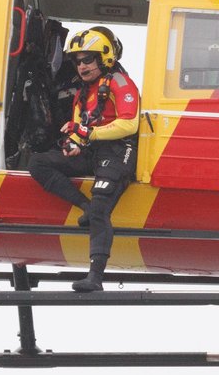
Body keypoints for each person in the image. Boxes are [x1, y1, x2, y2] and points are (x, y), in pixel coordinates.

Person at [28, 26, 139, 292]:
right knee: (37, 163)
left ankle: (95, 278)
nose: (82, 66)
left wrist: (89, 133)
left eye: (88, 59)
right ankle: (84, 206)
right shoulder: (82, 93)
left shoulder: (120, 83)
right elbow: (79, 130)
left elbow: (130, 124)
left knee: (103, 208)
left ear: (104, 58)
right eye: (78, 61)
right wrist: (72, 142)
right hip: (93, 151)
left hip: (118, 151)